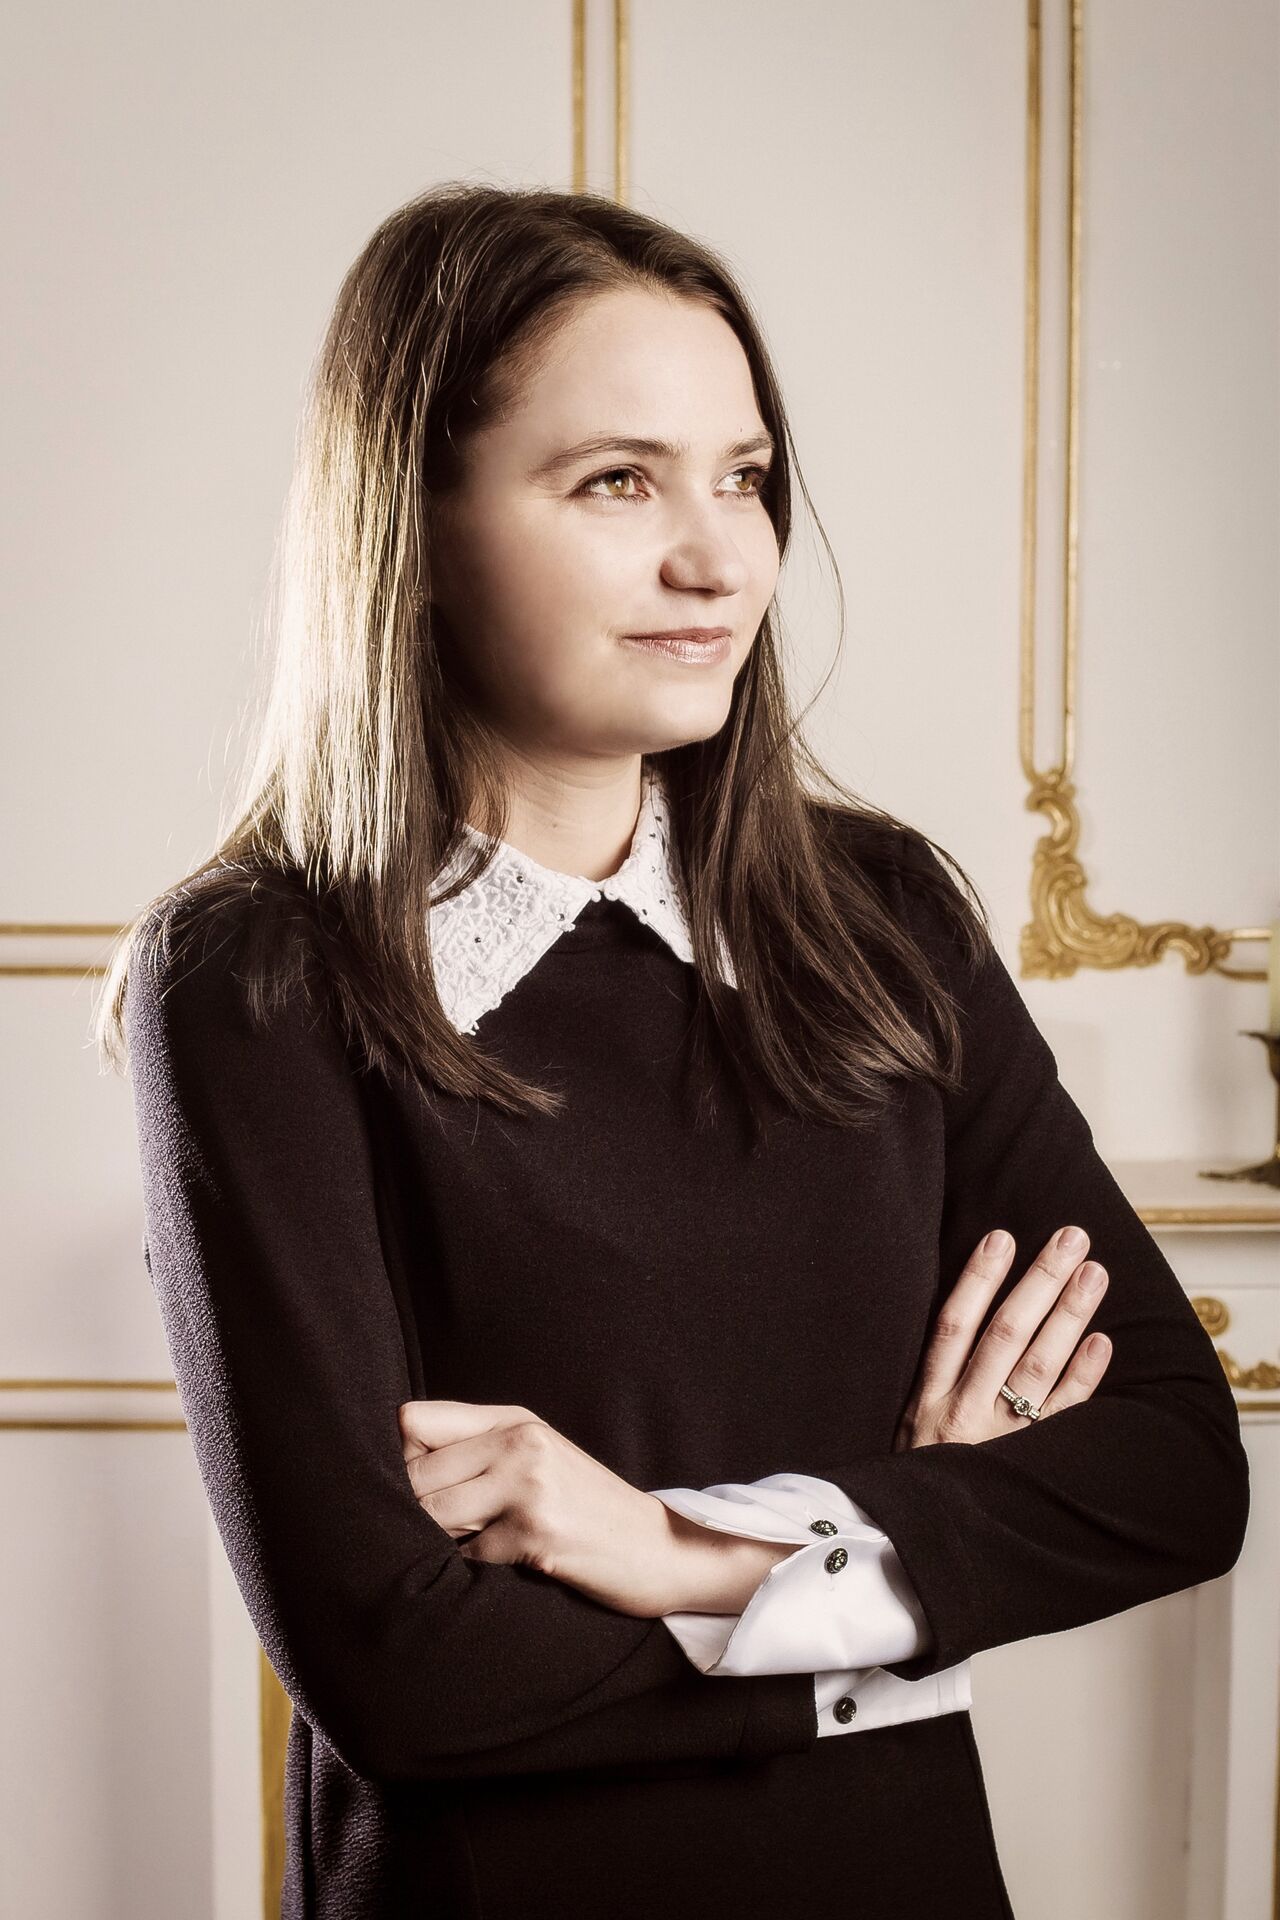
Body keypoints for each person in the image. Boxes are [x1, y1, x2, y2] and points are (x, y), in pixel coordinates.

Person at [96, 183, 1249, 1920]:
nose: (718, 559)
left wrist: (674, 1550)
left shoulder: (884, 916)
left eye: (746, 476)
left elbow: (1175, 1471)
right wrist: (896, 1573)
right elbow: (402, 1670)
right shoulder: (258, 976)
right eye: (617, 482)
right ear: (410, 520)